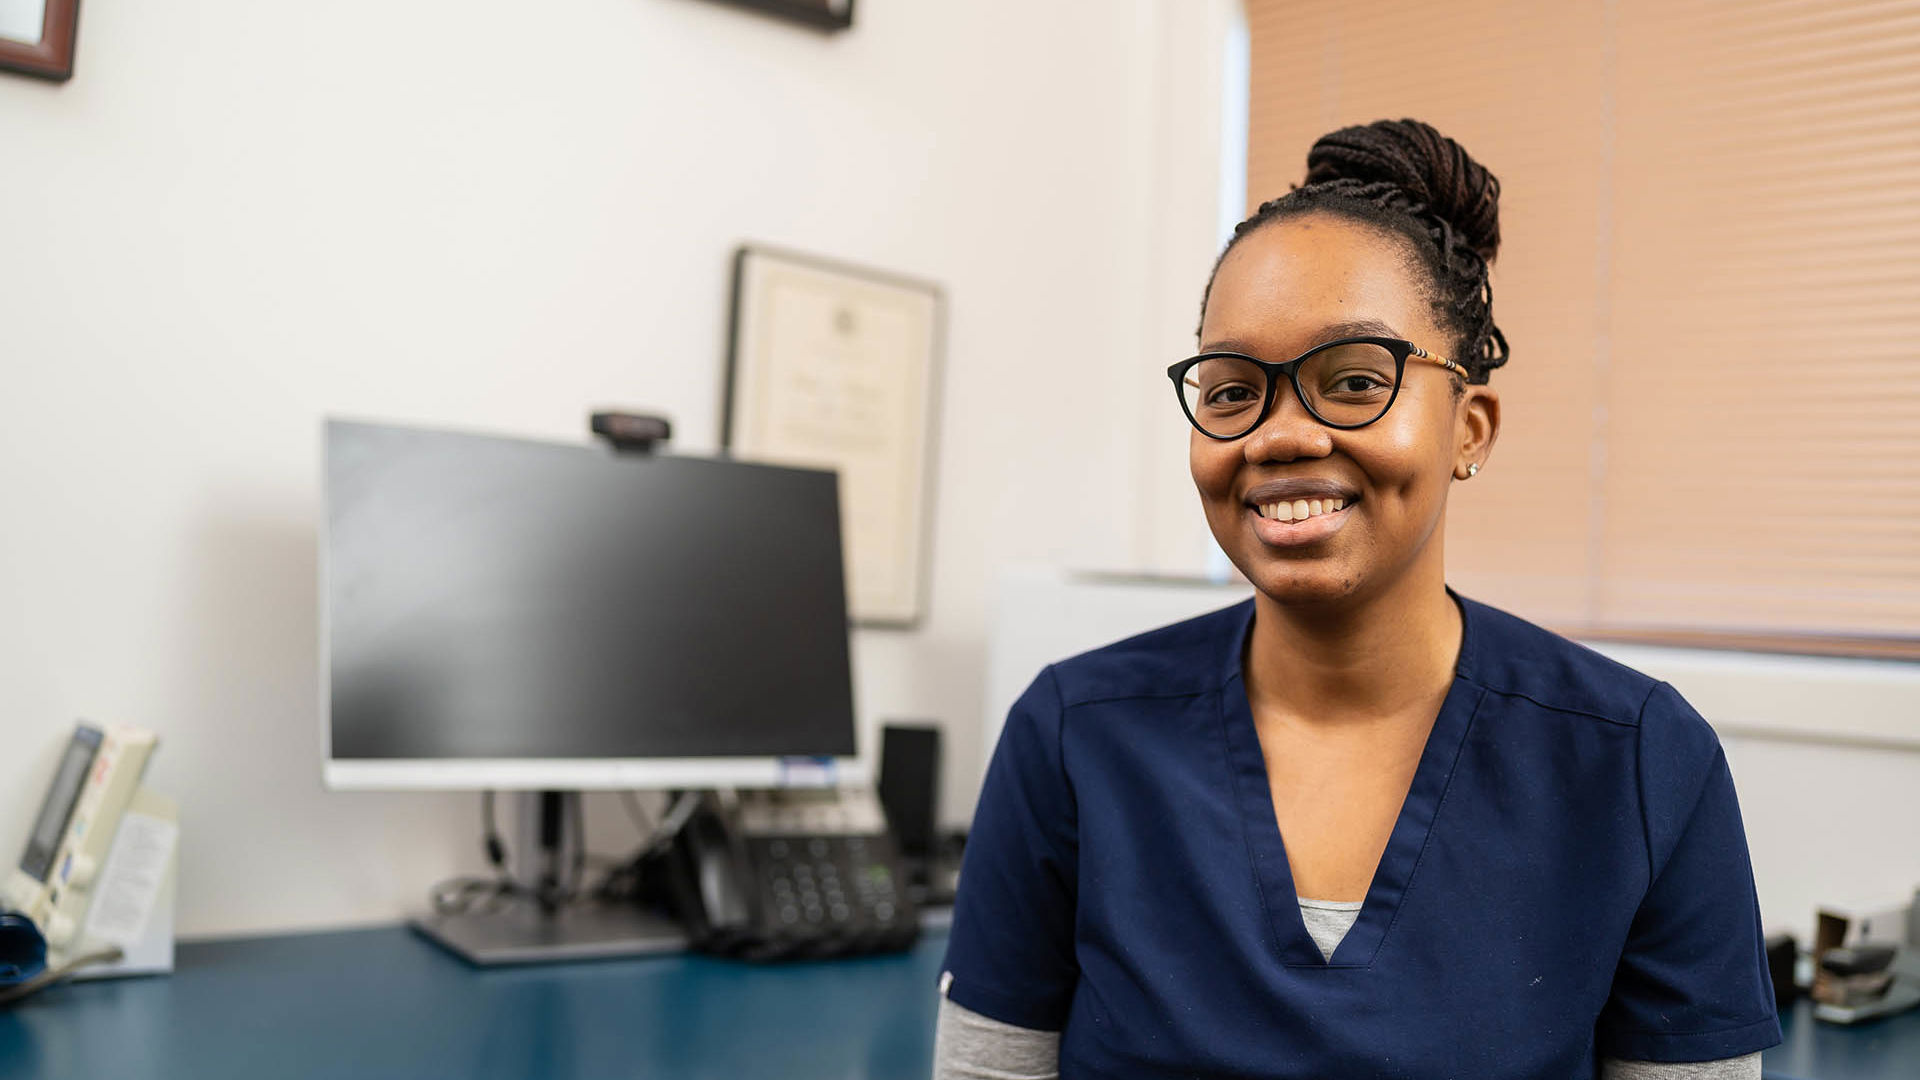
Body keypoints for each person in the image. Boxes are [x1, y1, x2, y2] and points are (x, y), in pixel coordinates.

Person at [934, 119, 1781, 1079]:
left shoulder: (1640, 761)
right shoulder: (1073, 736)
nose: (1279, 435)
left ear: (1471, 427)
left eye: (1355, 381)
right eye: (1229, 390)